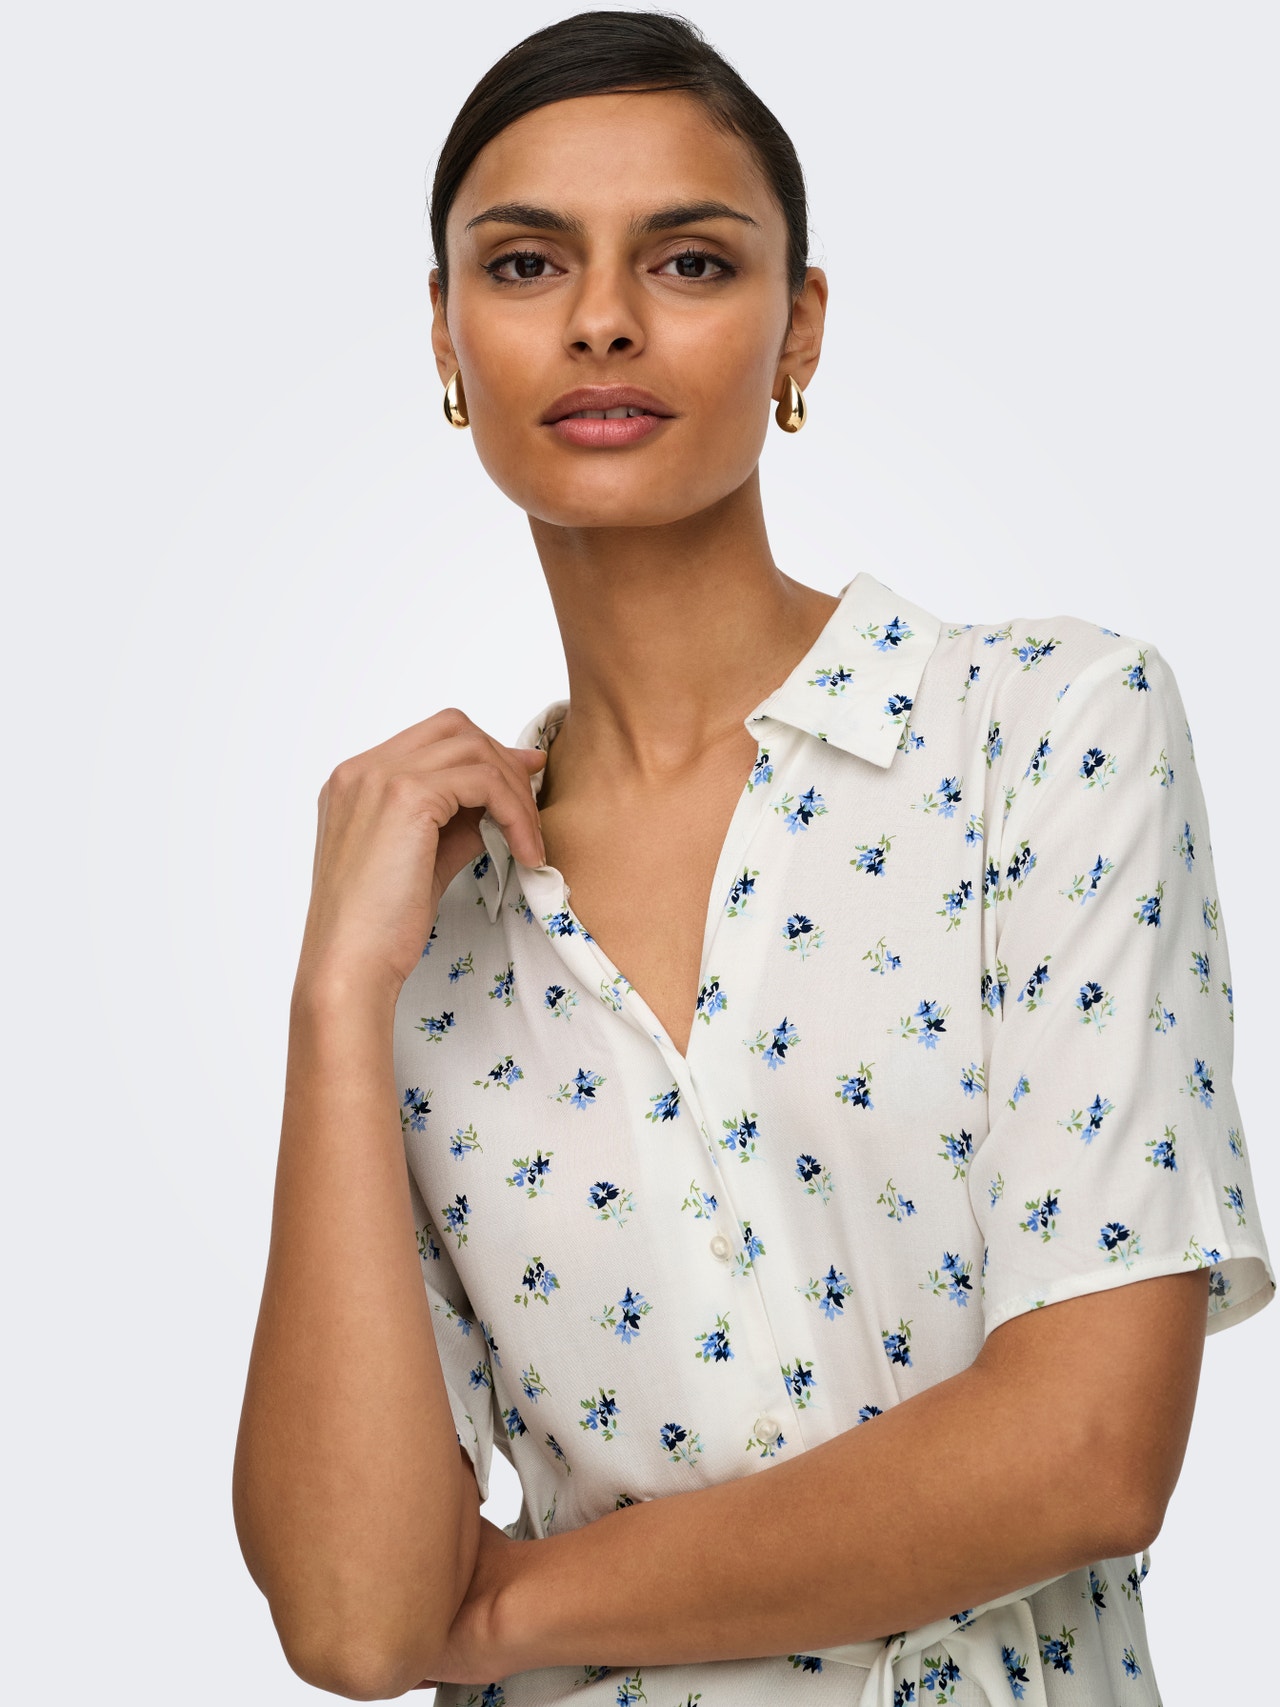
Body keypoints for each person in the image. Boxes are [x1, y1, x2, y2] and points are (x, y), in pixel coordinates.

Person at [232, 12, 1275, 1704]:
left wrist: (493, 1613)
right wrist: (334, 1004)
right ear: (447, 335)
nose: (602, 320)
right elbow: (352, 1622)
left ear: (800, 327)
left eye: (691, 261)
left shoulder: (1045, 736)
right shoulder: (422, 923)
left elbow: (1086, 1454)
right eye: (525, 263)